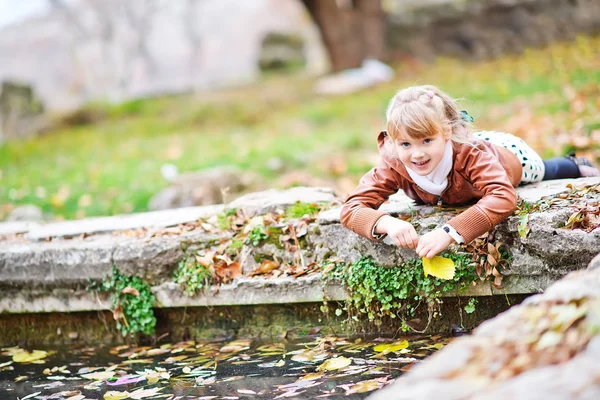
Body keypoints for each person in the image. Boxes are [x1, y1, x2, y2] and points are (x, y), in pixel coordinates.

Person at [340, 85, 599, 259]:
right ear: (394, 141)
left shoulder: (471, 155)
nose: (417, 154)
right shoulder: (394, 163)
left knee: (543, 170)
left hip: (507, 153)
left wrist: (450, 232)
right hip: (472, 148)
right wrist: (385, 222)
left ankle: (574, 164)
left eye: (426, 141)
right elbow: (351, 208)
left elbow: (502, 196)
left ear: (447, 133)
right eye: (406, 143)